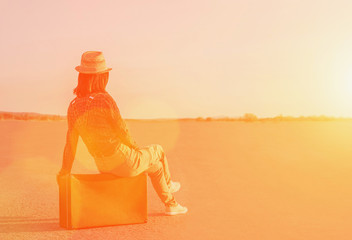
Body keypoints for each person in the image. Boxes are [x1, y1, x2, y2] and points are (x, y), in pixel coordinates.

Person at [57, 51, 187, 216]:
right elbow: (122, 129)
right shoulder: (104, 99)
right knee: (158, 150)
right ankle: (169, 186)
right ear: (102, 76)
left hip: (102, 164)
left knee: (156, 167)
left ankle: (171, 205)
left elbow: (71, 143)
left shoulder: (74, 105)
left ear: (81, 76)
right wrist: (136, 151)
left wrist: (64, 171)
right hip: (122, 160)